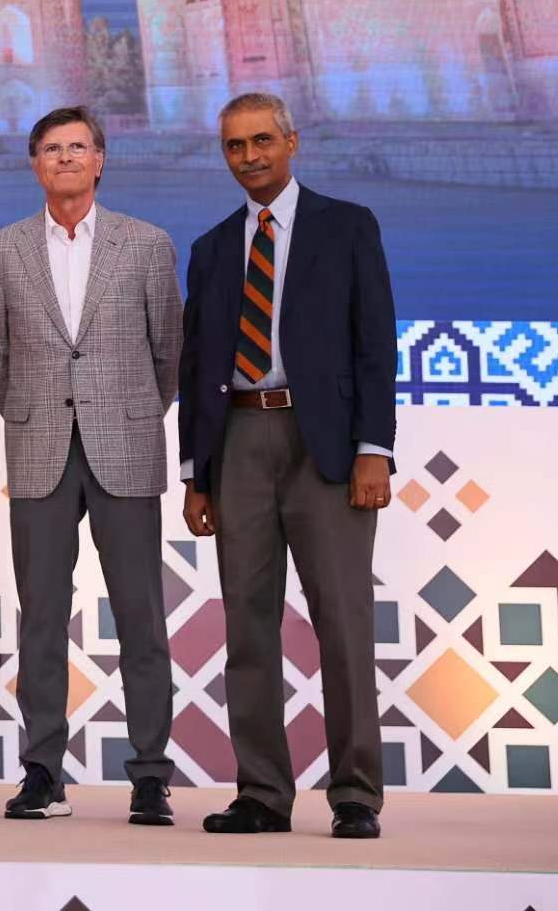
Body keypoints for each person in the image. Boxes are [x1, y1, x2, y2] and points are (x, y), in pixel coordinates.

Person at [180, 91, 395, 841]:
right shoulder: (211, 248)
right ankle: (263, 794)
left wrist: (374, 450)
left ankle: (356, 794)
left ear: (292, 142)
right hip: (238, 441)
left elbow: (375, 345)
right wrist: (197, 474)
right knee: (247, 624)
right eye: (235, 146)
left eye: (262, 141)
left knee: (343, 621)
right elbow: (196, 367)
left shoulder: (347, 227)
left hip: (326, 446)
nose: (250, 157)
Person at [0, 107, 182, 825]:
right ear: (34, 163)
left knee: (141, 616)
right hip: (39, 448)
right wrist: (36, 412)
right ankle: (42, 773)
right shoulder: (1, 250)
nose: (65, 158)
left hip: (125, 445)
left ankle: (150, 776)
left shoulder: (146, 244)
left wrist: (126, 410)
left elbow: (168, 353)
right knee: (41, 618)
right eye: (51, 149)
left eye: (78, 147)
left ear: (100, 160)